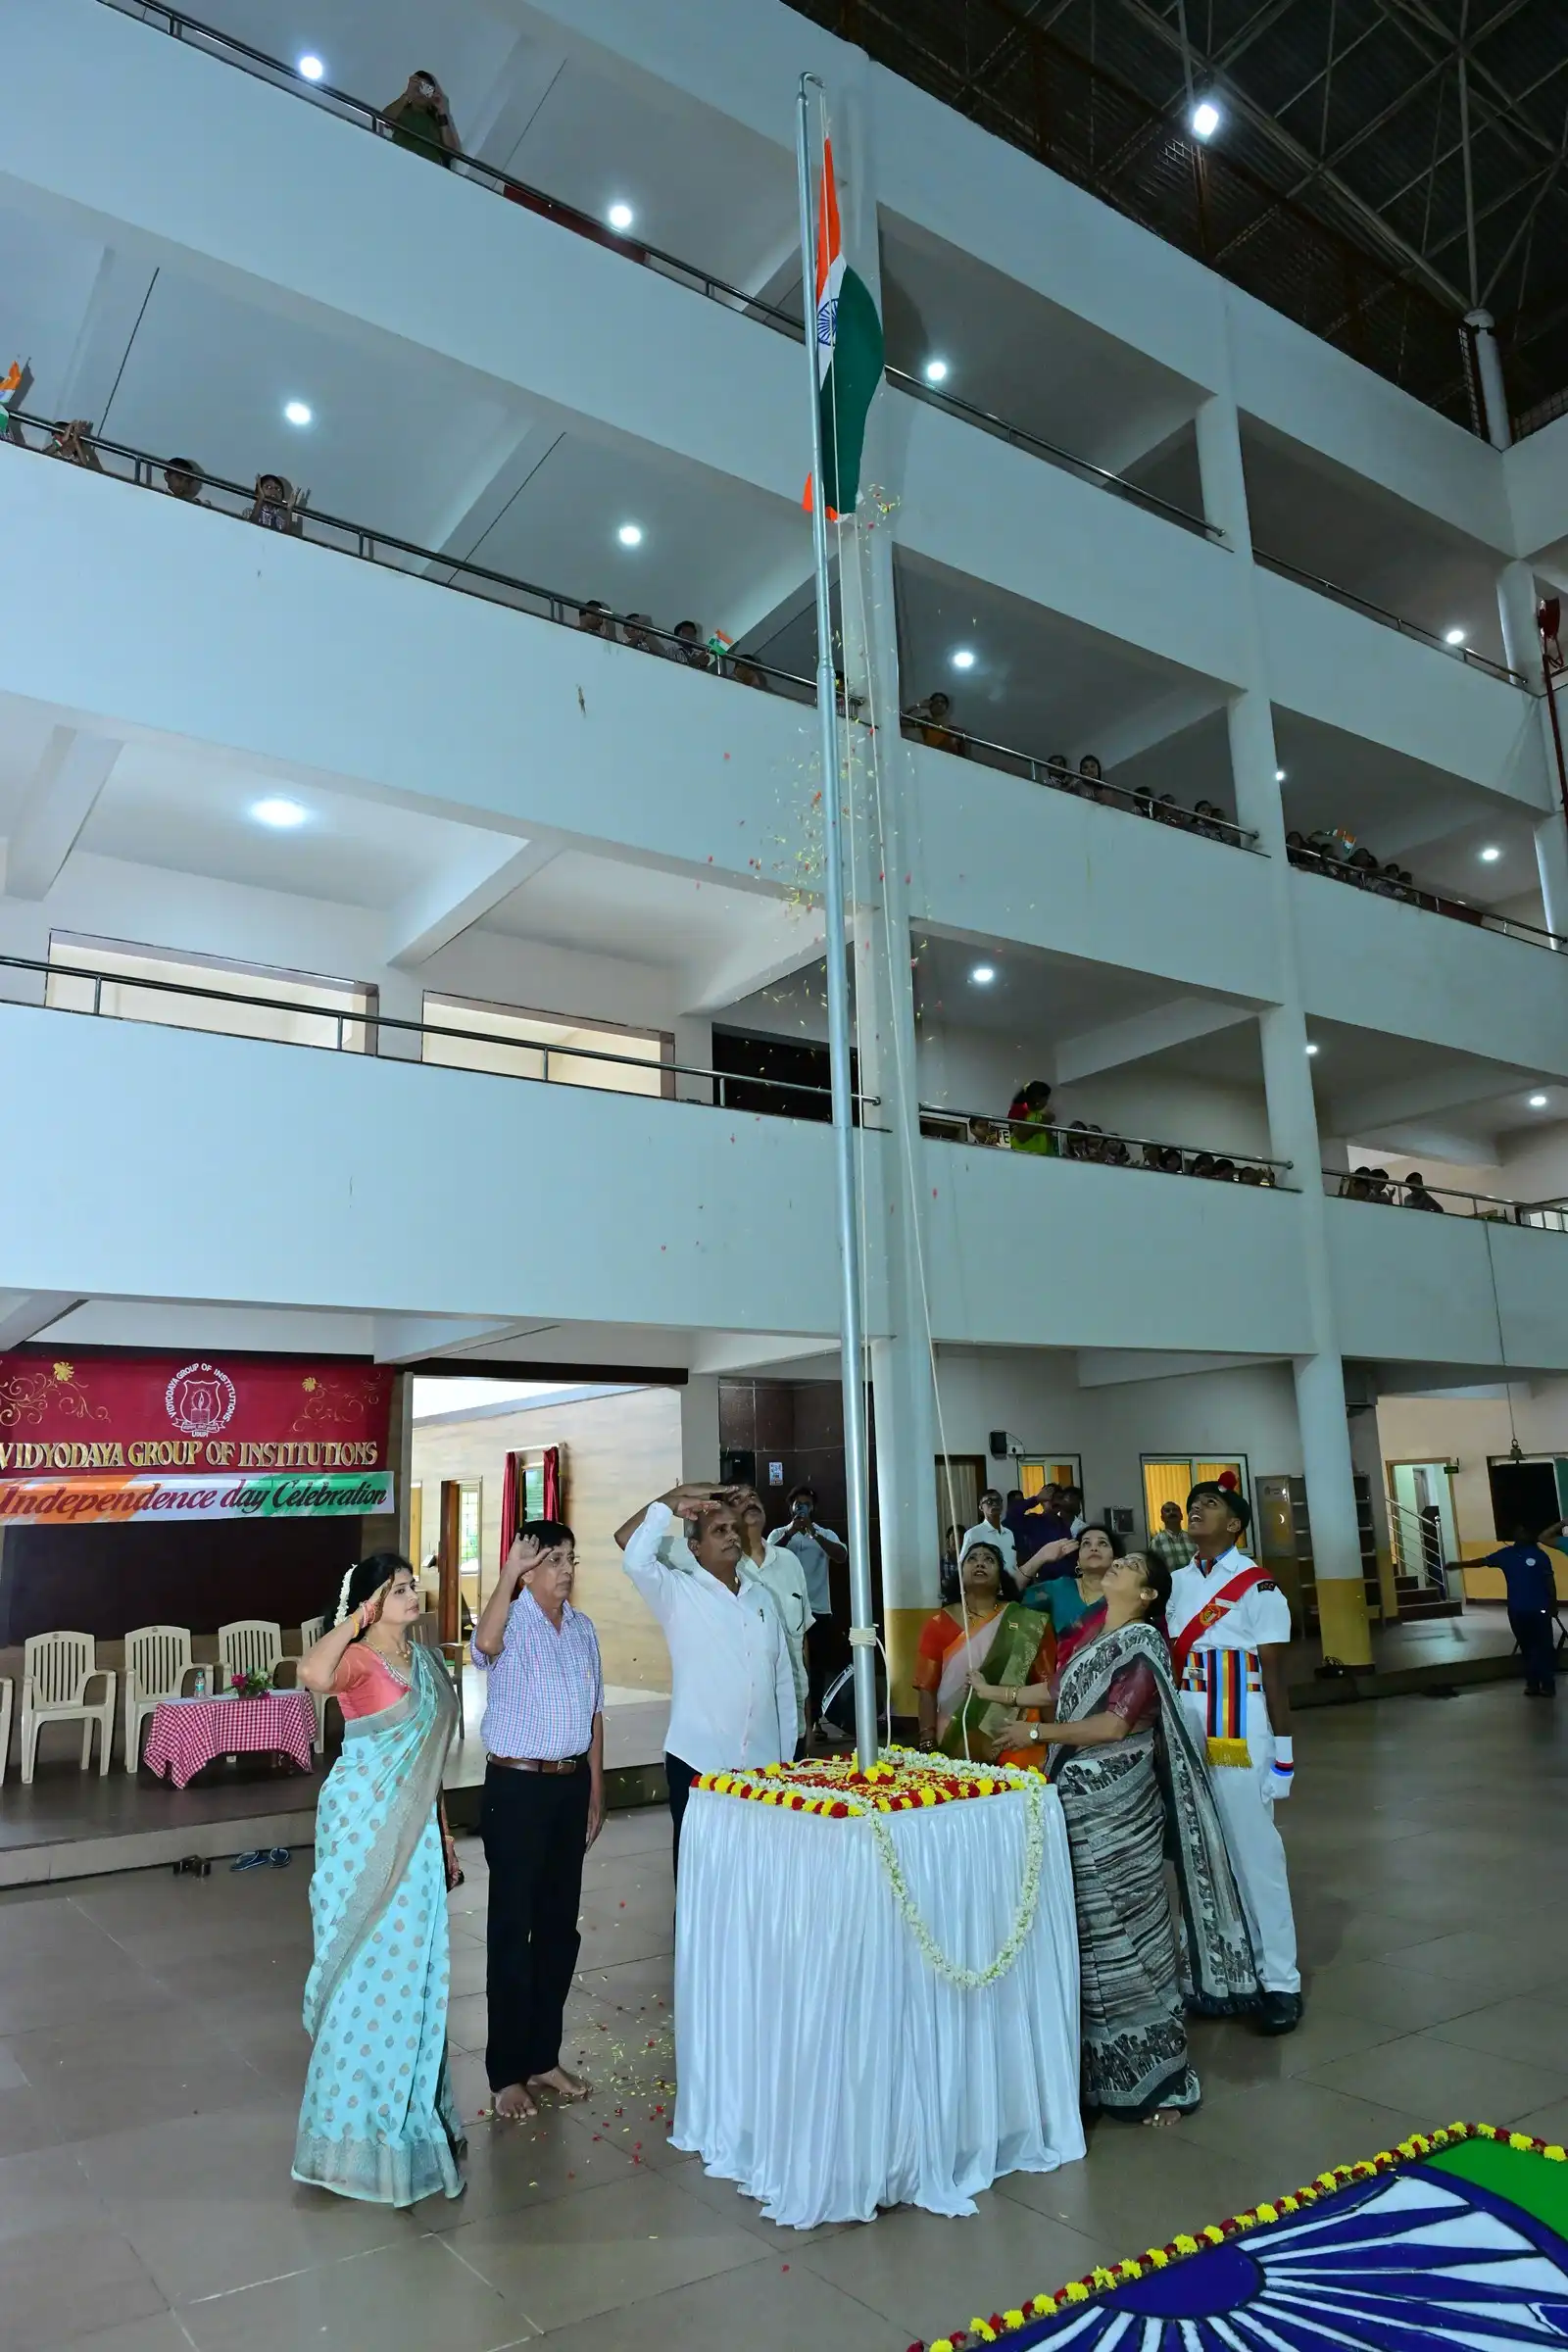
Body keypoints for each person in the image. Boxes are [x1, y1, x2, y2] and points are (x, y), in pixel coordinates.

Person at [970, 1554, 1258, 2120]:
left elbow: (1115, 1725)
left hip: (1119, 1805)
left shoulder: (1142, 1645)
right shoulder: (1093, 1634)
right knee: (1088, 1935)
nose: (1114, 1565)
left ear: (1148, 1593)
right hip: (1075, 1799)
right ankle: (1101, 2076)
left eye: (1127, 1564)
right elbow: (1057, 1688)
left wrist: (1033, 1732)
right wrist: (994, 1693)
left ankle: (1159, 2079)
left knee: (1129, 1929)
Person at [293, 1554, 464, 2204]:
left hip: (416, 1832)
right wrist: (356, 1620)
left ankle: (409, 2121)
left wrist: (444, 1831)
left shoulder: (424, 1662)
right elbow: (312, 1674)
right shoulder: (361, 1659)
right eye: (396, 1589)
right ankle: (350, 2133)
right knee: (366, 1970)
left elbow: (428, 1764)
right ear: (370, 1600)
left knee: (412, 1970)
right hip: (362, 1829)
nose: (412, 1594)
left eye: (412, 1585)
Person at [469, 1520, 604, 2122]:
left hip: (570, 1787)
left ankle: (544, 2056)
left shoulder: (583, 1631)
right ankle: (506, 2074)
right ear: (526, 1570)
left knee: (558, 1929)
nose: (567, 1570)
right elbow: (486, 1646)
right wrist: (506, 1576)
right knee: (513, 1930)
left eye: (571, 1559)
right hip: (517, 1787)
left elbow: (595, 1714)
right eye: (553, 1561)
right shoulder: (511, 1618)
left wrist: (596, 1789)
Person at [1168, 1485, 1300, 2034]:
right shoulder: (1175, 1583)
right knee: (1196, 1851)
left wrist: (1284, 1757)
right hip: (1186, 1718)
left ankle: (1280, 1982)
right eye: (1194, 1503)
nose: (1197, 1509)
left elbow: (1274, 1673)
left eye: (1212, 1505)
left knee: (1252, 1851)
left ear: (1236, 1526)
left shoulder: (1258, 1587)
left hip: (1237, 1723)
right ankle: (1216, 1975)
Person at [615, 1483, 795, 1873]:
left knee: (755, 1875)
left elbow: (781, 1682)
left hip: (762, 1768)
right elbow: (635, 1561)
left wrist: (784, 1760)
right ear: (694, 1548)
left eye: (733, 1529)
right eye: (719, 1530)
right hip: (699, 1761)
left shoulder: (761, 1599)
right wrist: (667, 1504)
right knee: (702, 1878)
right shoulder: (678, 1593)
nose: (732, 1535)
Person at [912, 1540, 1049, 1761]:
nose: (980, 1563)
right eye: (972, 1559)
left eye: (989, 1560)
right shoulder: (939, 1622)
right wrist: (927, 1739)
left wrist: (1052, 1734)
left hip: (1015, 1729)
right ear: (960, 1575)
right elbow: (926, 1686)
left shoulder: (1025, 1621)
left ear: (1001, 1579)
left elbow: (1046, 1681)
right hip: (955, 1731)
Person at [734, 1485, 813, 1750]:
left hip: (793, 1715)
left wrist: (808, 1721)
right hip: (745, 1724)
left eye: (753, 1497)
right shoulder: (722, 1567)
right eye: (738, 1499)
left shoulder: (790, 1562)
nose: (749, 1502)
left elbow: (801, 1645)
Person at [774, 1484, 850, 1741]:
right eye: (797, 1504)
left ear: (812, 1508)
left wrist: (814, 1535)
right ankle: (789, 1720)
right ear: (791, 1507)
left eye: (806, 1504)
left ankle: (816, 1720)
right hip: (786, 1612)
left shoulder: (824, 1533)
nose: (801, 1508)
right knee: (789, 1667)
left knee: (816, 1669)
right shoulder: (779, 1534)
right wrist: (791, 1532)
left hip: (819, 1611)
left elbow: (841, 1555)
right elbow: (769, 1556)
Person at [1478, 1523, 1561, 1696]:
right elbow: (1484, 1561)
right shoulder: (1507, 1554)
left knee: (1543, 1647)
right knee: (1526, 1647)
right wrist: (1458, 1564)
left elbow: (1549, 1583)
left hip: (1539, 1608)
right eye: (1517, 1531)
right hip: (1517, 1610)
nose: (1518, 1534)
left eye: (1523, 1531)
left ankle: (1547, 1684)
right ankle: (1532, 1684)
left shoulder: (1540, 1556)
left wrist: (1553, 1604)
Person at [1020, 1520, 1116, 1643]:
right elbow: (1008, 1596)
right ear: (1078, 1561)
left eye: (1102, 1543)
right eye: (1086, 1544)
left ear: (1115, 1559)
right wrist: (1040, 1557)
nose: (1094, 1548)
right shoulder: (1059, 1589)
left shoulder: (1126, 1595)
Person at [382, 71, 462, 167]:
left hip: (431, 169)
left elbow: (451, 152)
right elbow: (384, 120)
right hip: (403, 163)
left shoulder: (437, 121)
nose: (421, 93)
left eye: (425, 88)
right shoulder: (402, 110)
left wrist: (442, 110)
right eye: (418, 88)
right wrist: (408, 94)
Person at [959, 1488, 1017, 1576]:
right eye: (989, 1502)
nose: (995, 1504)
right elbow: (962, 1565)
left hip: (1011, 1584)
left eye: (998, 1501)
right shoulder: (973, 1533)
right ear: (981, 1507)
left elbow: (1013, 1564)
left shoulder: (1009, 1533)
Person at [1007, 1079, 1057, 1154]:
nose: (1047, 1102)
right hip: (1023, 1156)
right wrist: (1042, 1123)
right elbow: (1021, 1137)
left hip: (1042, 1156)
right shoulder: (1019, 1110)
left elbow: (1046, 1136)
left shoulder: (1039, 1112)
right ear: (1038, 1098)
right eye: (1046, 1099)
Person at [1149, 1497, 1197, 1575]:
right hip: (1170, 1585)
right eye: (1167, 1511)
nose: (1172, 1512)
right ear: (1162, 1518)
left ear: (1181, 1516)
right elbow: (1153, 1568)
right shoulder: (1156, 1541)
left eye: (1175, 1510)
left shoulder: (1193, 1538)